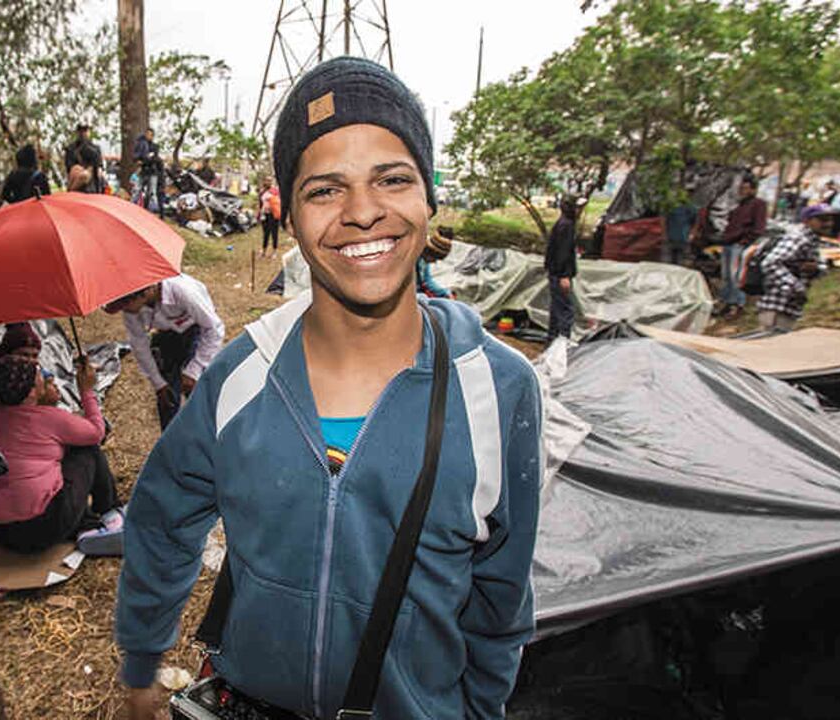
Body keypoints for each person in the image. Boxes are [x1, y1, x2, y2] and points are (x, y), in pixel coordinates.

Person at [117, 57, 542, 720]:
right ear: (288, 214)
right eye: (324, 190)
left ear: (429, 198)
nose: (363, 212)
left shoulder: (498, 389)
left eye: (392, 179)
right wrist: (142, 662)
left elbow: (501, 596)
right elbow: (162, 519)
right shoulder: (241, 376)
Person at [0, 354, 124, 556]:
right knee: (86, 450)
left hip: (2, 532)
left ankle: (84, 526)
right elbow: (96, 433)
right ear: (31, 392)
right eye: (39, 376)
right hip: (45, 526)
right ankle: (110, 514)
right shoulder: (48, 418)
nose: (44, 373)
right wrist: (87, 390)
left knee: (50, 471)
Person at [102, 273, 224, 430]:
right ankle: (170, 442)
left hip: (197, 330)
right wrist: (158, 383)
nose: (124, 310)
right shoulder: (131, 308)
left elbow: (214, 329)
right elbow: (139, 344)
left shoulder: (183, 291)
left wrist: (194, 370)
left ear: (145, 292)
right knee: (167, 397)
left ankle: (209, 432)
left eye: (126, 304)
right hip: (167, 335)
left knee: (199, 390)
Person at [757, 204, 831, 331]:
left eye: (830, 220)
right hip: (777, 303)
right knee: (769, 341)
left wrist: (817, 268)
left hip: (790, 305)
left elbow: (822, 266)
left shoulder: (812, 241)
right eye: (822, 220)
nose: (828, 224)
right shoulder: (798, 238)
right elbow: (770, 263)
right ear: (807, 221)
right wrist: (796, 288)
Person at [717, 176, 767, 319]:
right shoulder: (739, 205)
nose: (742, 191)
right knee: (726, 276)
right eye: (741, 188)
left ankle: (737, 304)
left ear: (753, 189)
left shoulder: (758, 204)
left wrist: (745, 241)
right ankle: (727, 302)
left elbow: (759, 227)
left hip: (740, 244)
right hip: (729, 243)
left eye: (745, 188)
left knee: (736, 276)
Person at [546, 195, 581, 341]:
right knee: (566, 310)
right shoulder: (566, 226)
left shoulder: (563, 224)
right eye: (578, 207)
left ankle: (553, 339)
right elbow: (562, 252)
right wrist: (564, 275)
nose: (580, 211)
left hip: (555, 273)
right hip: (560, 275)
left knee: (556, 310)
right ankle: (563, 342)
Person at [415, 225, 454, 298]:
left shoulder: (424, 263)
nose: (434, 262)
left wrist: (445, 293)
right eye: (435, 258)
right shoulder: (411, 261)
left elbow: (427, 280)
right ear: (429, 253)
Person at [133, 129, 163, 215]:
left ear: (152, 136)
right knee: (137, 189)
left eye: (150, 134)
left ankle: (153, 210)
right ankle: (132, 205)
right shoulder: (141, 144)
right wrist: (142, 160)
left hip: (153, 171)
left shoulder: (155, 146)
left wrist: (144, 161)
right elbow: (135, 157)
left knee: (152, 192)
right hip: (143, 171)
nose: (148, 136)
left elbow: (154, 159)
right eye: (147, 134)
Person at [663, 199, 697, 265]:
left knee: (684, 263)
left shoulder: (691, 207)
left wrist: (692, 234)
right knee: (667, 263)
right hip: (670, 238)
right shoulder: (670, 205)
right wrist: (664, 234)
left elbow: (696, 220)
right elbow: (664, 218)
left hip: (685, 239)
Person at [257, 175, 281, 258]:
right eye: (266, 180)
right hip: (265, 215)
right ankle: (264, 250)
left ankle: (274, 251)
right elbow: (260, 205)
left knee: (274, 233)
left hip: (274, 215)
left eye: (270, 181)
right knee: (265, 233)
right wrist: (259, 215)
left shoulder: (275, 191)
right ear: (264, 182)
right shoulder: (262, 192)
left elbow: (279, 203)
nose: (268, 182)